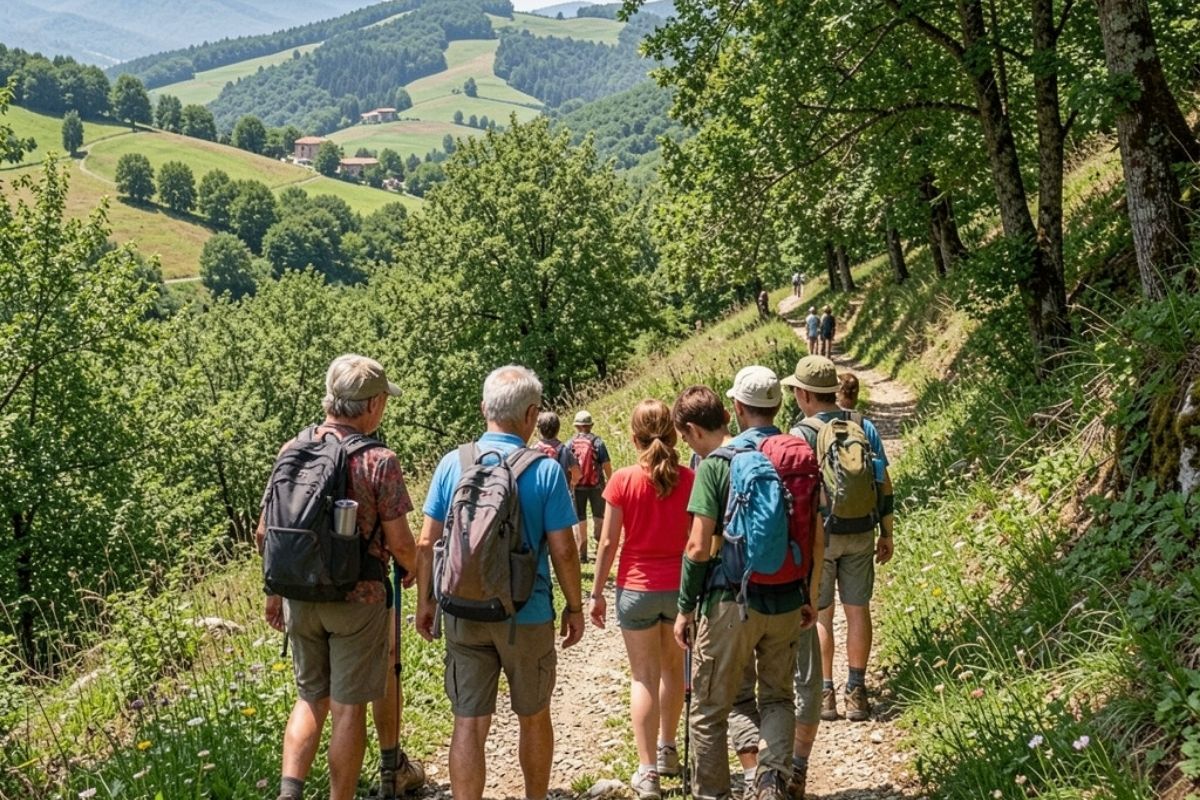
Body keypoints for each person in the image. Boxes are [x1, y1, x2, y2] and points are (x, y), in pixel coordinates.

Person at [415, 365, 585, 800]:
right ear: (531, 415)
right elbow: (564, 549)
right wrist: (574, 606)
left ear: (483, 409)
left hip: (463, 612)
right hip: (526, 612)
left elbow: (426, 541)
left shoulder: (453, 463)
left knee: (468, 721)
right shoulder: (544, 472)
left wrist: (427, 602)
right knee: (533, 715)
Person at [259, 354, 423, 800]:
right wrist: (414, 569)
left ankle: (289, 794)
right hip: (360, 599)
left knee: (311, 697)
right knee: (349, 709)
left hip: (299, 595)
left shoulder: (291, 450)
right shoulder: (379, 460)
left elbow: (265, 532)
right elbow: (402, 542)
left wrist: (274, 593)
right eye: (384, 401)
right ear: (370, 406)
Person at [674, 367, 823, 800]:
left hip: (731, 602)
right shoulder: (798, 453)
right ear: (779, 405)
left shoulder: (717, 464)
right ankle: (771, 779)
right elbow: (816, 533)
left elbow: (699, 546)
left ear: (737, 408)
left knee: (709, 709)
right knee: (777, 696)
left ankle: (715, 795)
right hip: (787, 596)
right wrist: (809, 596)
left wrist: (685, 607)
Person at [590, 400, 696, 800]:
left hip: (635, 589)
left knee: (643, 677)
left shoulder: (621, 480)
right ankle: (669, 750)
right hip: (680, 590)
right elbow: (695, 540)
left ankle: (647, 771)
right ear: (674, 433)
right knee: (674, 672)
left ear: (633, 438)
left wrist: (597, 592)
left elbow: (607, 541)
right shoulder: (688, 479)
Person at [781, 356, 895, 728]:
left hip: (821, 538)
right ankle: (858, 691)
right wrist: (887, 532)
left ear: (804, 394)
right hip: (862, 530)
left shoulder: (801, 435)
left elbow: (796, 498)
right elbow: (883, 483)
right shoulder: (863, 425)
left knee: (822, 615)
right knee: (858, 609)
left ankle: (826, 693)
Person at [569, 410, 613, 563]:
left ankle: (582, 555)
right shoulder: (598, 442)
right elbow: (606, 465)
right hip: (596, 485)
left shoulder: (571, 443)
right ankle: (599, 550)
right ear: (590, 425)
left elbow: (568, 466)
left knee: (580, 518)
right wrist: (610, 482)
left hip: (577, 486)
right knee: (599, 516)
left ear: (577, 426)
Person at [534, 411, 581, 489]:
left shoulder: (533, 450)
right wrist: (572, 483)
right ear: (558, 429)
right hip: (560, 494)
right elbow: (577, 474)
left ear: (540, 430)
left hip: (540, 494)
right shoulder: (565, 450)